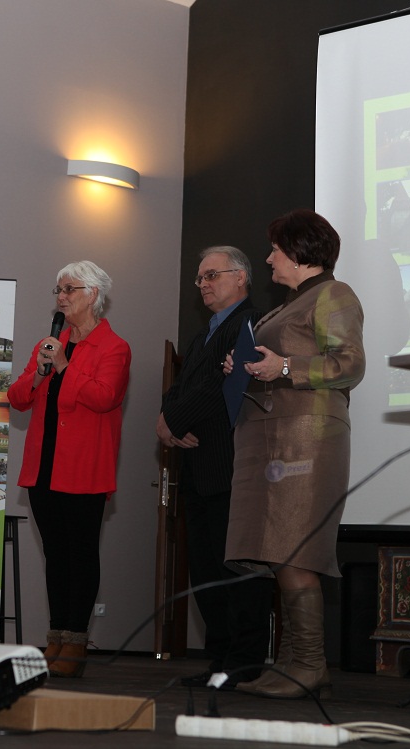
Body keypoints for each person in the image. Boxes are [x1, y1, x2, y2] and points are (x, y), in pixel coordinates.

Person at [223, 208, 365, 699]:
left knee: (295, 548)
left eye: (276, 250)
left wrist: (284, 367)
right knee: (279, 551)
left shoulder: (333, 294)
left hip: (307, 435)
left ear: (301, 253)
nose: (268, 259)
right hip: (270, 434)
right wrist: (245, 366)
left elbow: (350, 364)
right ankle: (289, 664)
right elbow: (275, 362)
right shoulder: (283, 307)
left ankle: (308, 663)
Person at [156, 246, 274, 688]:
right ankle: (220, 660)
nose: (203, 284)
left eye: (212, 275)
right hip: (199, 471)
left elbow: (217, 388)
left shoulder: (252, 323)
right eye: (200, 278)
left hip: (232, 469)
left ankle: (244, 663)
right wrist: (168, 420)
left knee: (238, 573)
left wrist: (170, 422)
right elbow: (178, 389)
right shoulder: (203, 334)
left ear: (241, 277)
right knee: (205, 571)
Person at [8, 260, 131, 678]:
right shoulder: (50, 344)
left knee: (79, 555)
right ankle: (56, 637)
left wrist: (64, 366)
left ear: (93, 294)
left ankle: (76, 642)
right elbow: (18, 397)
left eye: (69, 289)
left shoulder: (114, 347)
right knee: (55, 555)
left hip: (83, 469)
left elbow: (104, 397)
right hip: (43, 468)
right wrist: (40, 374)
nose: (61, 297)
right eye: (58, 290)